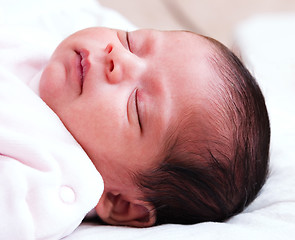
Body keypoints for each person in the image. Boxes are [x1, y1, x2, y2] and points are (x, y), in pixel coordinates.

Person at [39, 27, 270, 227]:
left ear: (122, 204)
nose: (117, 56)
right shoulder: (37, 44)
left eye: (136, 104)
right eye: (131, 42)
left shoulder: (38, 184)